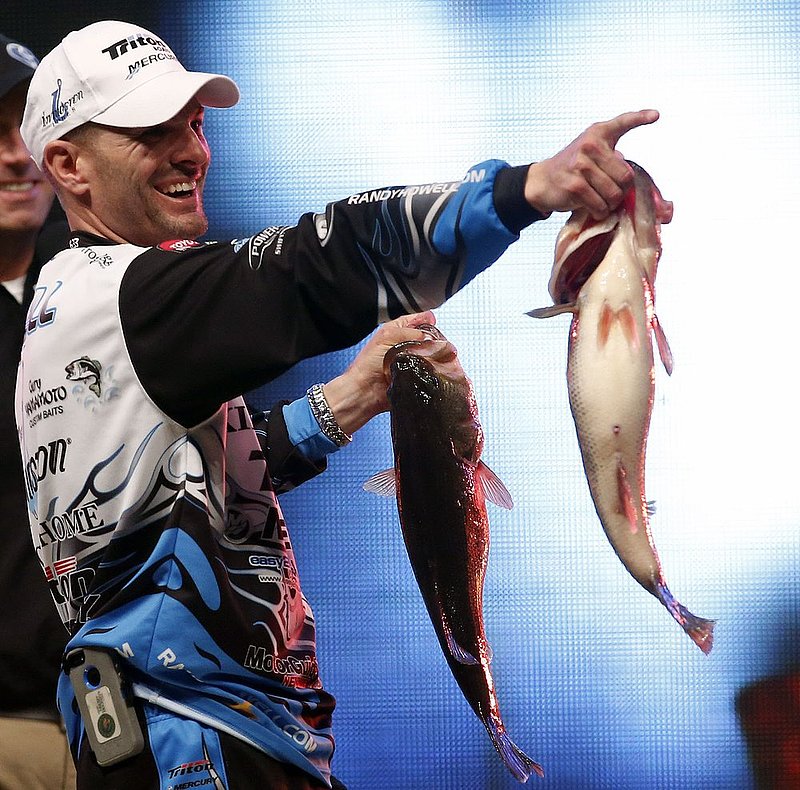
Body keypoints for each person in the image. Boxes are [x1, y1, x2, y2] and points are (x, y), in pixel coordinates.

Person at [16, 18, 660, 790]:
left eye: (193, 124)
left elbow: (185, 491)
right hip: (195, 745)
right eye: (152, 132)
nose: (191, 150)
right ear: (68, 165)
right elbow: (315, 263)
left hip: (207, 736)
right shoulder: (131, 296)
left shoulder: (74, 307)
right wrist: (523, 191)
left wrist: (346, 402)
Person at [0, 32, 76, 790]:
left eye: (25, 128)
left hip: (125, 726)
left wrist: (335, 406)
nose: (17, 157)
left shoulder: (110, 295)